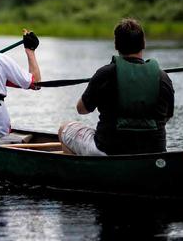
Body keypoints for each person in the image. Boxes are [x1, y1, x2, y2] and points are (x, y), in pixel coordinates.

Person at [58, 18, 174, 156]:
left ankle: (78, 174)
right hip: (154, 151)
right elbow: (167, 115)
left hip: (109, 150)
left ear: (116, 45)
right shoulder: (163, 77)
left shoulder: (105, 74)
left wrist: (95, 85)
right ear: (143, 43)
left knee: (64, 129)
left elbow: (81, 109)